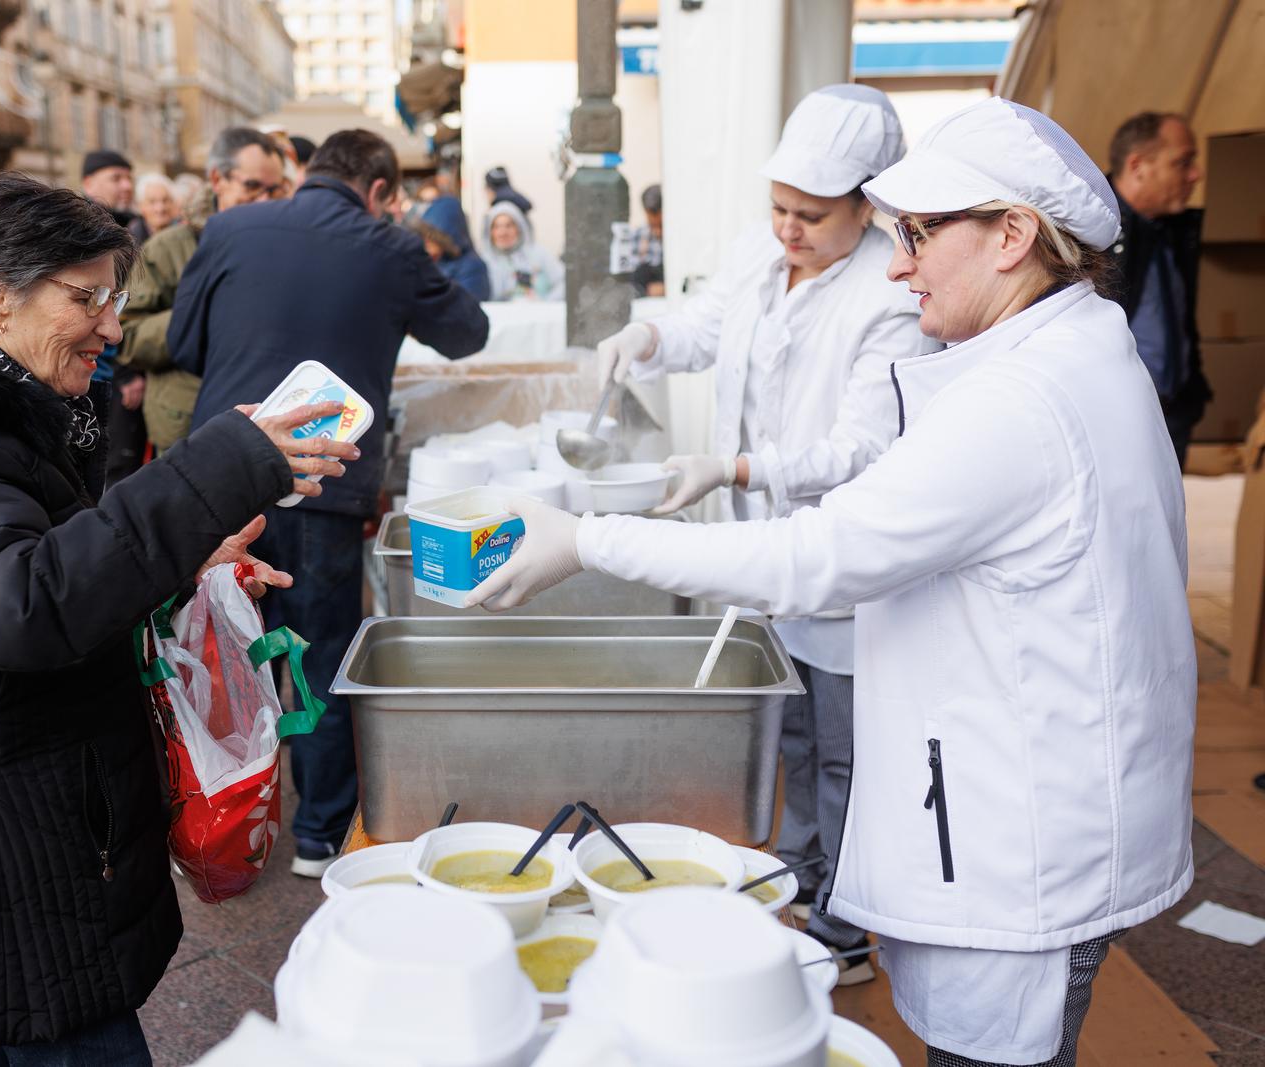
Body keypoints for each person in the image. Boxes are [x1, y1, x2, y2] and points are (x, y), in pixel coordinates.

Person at [470, 98, 1196, 1067]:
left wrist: (590, 536)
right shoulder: (1070, 349)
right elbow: (713, 330)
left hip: (1021, 843)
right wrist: (648, 341)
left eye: (921, 235)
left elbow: (813, 556)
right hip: (1035, 800)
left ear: (1015, 235)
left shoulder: (1019, 402)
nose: (899, 265)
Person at [0, 172, 358, 1064]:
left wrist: (185, 558)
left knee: (4, 1031)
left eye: (114, 297)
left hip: (27, 822)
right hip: (9, 845)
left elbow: (55, 556)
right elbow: (25, 605)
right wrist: (217, 469)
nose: (112, 326)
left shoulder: (1, 410)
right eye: (85, 298)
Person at [595, 85, 931, 979]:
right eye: (779, 207)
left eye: (812, 216)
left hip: (843, 556)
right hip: (761, 551)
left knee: (846, 748)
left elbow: (863, 445)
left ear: (869, 206)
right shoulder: (762, 250)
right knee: (787, 730)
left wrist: (739, 468)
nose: (789, 228)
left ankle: (848, 925)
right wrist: (648, 336)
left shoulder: (890, 295)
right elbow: (709, 323)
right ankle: (801, 880)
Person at [167, 128, 489, 877]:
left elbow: (185, 346)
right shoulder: (392, 245)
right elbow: (468, 332)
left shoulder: (229, 225)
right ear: (379, 191)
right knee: (315, 652)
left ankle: (210, 825)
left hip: (220, 468)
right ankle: (317, 833)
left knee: (213, 647)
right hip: (320, 476)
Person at [119, 128, 287, 454]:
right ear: (217, 179)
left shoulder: (287, 246)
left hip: (268, 420)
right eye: (252, 186)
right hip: (190, 428)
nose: (265, 200)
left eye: (274, 189)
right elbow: (125, 335)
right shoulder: (168, 248)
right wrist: (198, 313)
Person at [1105, 111, 1208, 467]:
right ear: (1138, 166)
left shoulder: (1179, 230)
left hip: (1173, 412)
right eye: (1183, 162)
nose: (1196, 174)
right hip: (1117, 421)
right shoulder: (1089, 234)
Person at [81, 150, 148, 485]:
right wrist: (123, 374)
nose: (126, 186)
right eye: (116, 178)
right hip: (95, 376)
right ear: (89, 182)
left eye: (129, 177)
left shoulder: (132, 228)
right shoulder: (80, 237)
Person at [483, 201, 564, 301]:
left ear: (519, 228)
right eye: (496, 227)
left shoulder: (539, 254)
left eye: (509, 226)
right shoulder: (484, 261)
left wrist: (547, 304)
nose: (502, 232)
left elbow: (563, 282)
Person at [419, 195, 490, 301]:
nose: (427, 242)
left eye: (432, 237)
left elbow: (466, 308)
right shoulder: (433, 261)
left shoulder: (472, 268)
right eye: (425, 235)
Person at [80, 148, 137, 223]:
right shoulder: (75, 228)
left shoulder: (137, 224)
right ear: (88, 184)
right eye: (116, 178)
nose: (128, 186)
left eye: (129, 179)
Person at [630, 183, 665, 297]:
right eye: (653, 226)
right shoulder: (638, 237)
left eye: (661, 226)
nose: (658, 232)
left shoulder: (680, 240)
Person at [129, 173, 178, 245]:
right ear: (140, 206)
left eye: (165, 200)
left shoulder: (183, 233)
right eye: (152, 202)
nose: (160, 208)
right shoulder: (131, 239)